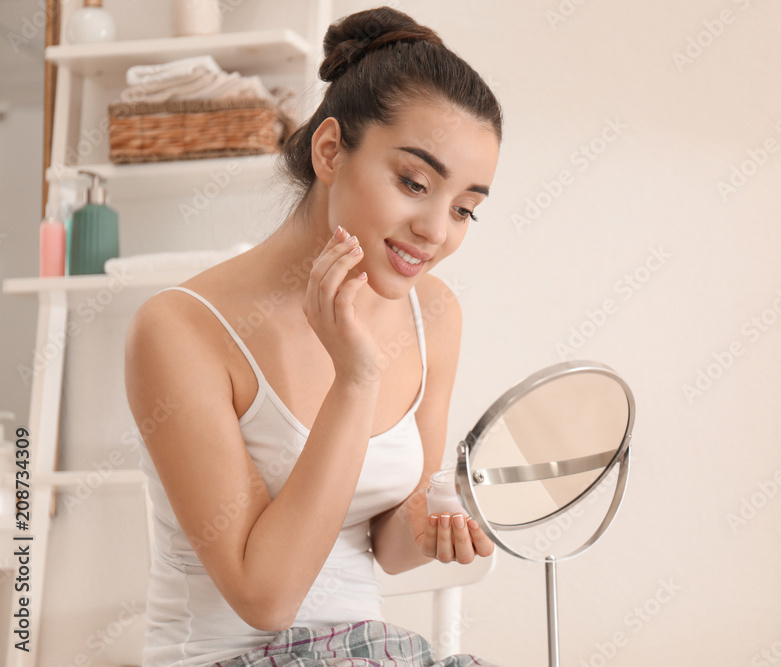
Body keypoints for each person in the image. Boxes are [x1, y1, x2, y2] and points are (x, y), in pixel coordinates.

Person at [124, 7, 502, 666]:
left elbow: (385, 542)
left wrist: (440, 527)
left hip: (366, 650)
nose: (437, 231)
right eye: (414, 182)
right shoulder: (180, 330)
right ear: (330, 150)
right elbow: (265, 598)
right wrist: (356, 380)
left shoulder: (433, 314)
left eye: (464, 208)